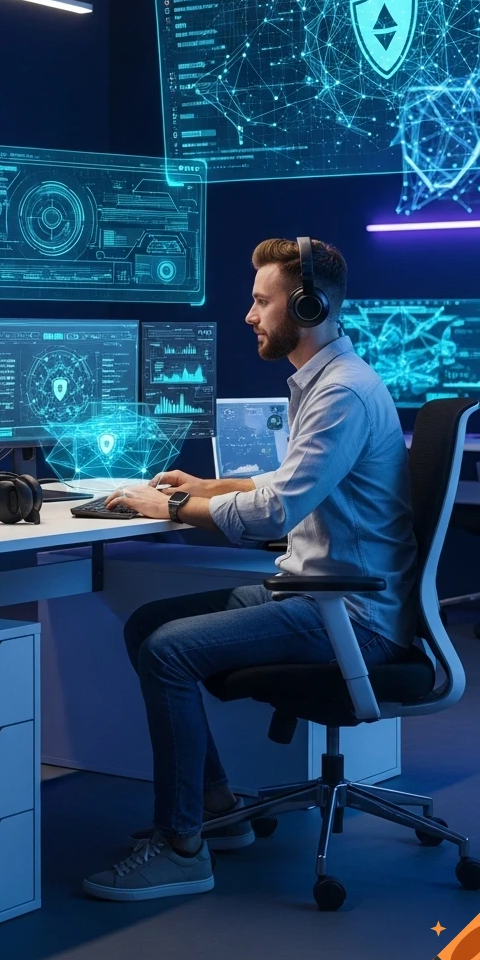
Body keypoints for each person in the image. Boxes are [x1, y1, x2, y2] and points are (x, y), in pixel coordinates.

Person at [82, 237, 418, 902]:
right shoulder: (326, 381)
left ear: (307, 306)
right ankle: (213, 806)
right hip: (319, 594)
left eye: (262, 301)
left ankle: (181, 848)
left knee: (167, 652)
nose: (249, 315)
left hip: (347, 614)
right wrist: (204, 487)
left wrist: (167, 505)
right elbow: (283, 482)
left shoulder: (341, 393)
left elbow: (274, 512)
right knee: (147, 624)